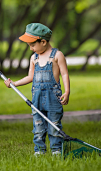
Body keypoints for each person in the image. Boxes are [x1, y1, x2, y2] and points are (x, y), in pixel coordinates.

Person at [4, 23, 70, 156]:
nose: (31, 49)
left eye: (33, 45)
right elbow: (30, 77)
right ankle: (39, 150)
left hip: (53, 99)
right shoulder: (34, 58)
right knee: (38, 126)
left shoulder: (57, 55)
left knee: (54, 125)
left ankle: (56, 149)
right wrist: (14, 83)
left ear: (43, 42)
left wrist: (67, 91)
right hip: (37, 99)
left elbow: (64, 74)